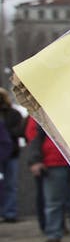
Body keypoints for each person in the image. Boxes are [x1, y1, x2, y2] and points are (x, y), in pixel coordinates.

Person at [27, 117, 70, 242]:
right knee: (54, 201)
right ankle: (54, 234)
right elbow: (34, 138)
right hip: (53, 162)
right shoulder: (40, 113)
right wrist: (35, 160)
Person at [0, 88, 24, 223]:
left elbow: (20, 130)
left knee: (10, 184)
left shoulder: (13, 113)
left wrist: (5, 133)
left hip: (11, 153)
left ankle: (10, 212)